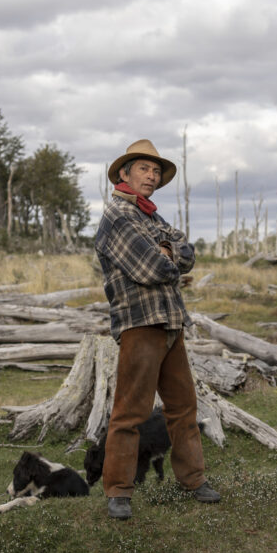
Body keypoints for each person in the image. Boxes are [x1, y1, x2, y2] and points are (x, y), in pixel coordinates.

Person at [94, 138, 221, 520]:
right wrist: (166, 253)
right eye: (144, 169)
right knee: (130, 410)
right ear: (124, 173)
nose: (151, 176)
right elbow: (151, 268)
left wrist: (167, 250)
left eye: (155, 171)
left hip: (170, 322)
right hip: (140, 324)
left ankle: (193, 479)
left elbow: (188, 253)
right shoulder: (117, 216)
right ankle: (118, 490)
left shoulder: (151, 218)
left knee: (183, 406)